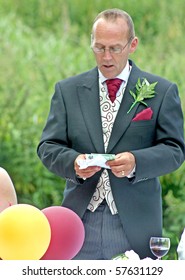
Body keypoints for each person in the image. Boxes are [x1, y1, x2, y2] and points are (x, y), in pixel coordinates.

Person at [37, 8, 185, 259]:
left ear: (133, 44)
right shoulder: (67, 90)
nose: (106, 56)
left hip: (135, 223)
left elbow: (175, 149)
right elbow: (48, 146)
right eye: (99, 47)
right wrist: (73, 163)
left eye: (115, 48)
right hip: (78, 223)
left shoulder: (162, 91)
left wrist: (137, 162)